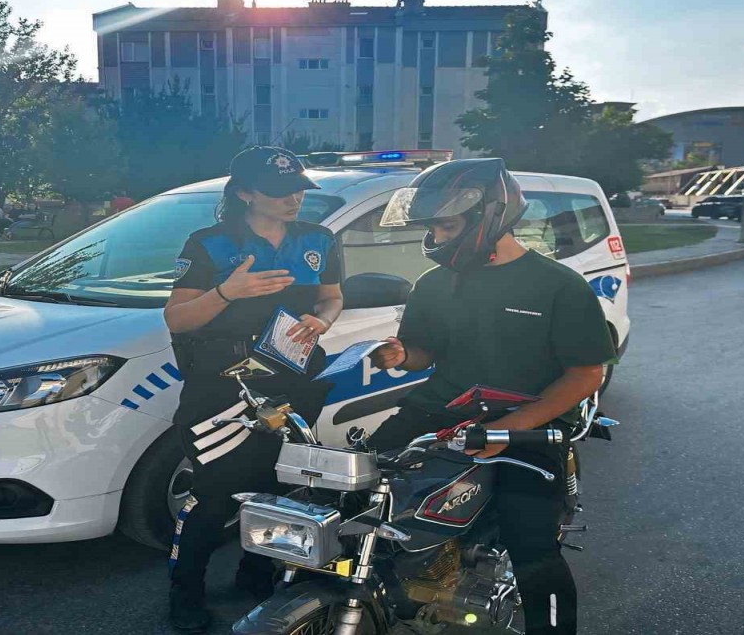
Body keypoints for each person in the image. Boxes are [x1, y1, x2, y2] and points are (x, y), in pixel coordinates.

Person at [367, 158, 617, 635]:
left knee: (531, 544)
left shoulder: (558, 286)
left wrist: (509, 428)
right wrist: (401, 354)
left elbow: (586, 374)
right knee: (360, 493)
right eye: (432, 227)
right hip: (442, 408)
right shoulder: (433, 283)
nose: (436, 237)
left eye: (446, 225)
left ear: (489, 215)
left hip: (530, 424)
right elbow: (423, 351)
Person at [162, 146, 344, 632]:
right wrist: (227, 292)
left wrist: (322, 321)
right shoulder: (209, 244)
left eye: (298, 189)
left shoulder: (319, 238)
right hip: (223, 385)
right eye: (280, 191)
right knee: (214, 493)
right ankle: (185, 591)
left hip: (293, 378)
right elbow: (177, 319)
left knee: (280, 484)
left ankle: (256, 573)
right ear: (244, 194)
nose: (294, 199)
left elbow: (331, 297)